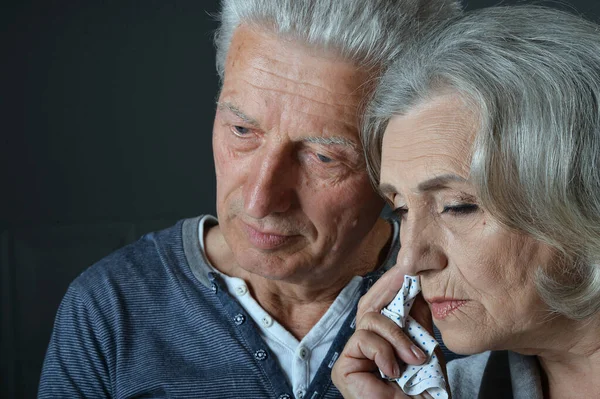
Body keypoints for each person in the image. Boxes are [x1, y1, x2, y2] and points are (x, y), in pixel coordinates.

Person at [37, 1, 461, 398]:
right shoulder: (109, 307)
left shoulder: (469, 310)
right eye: (242, 131)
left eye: (323, 157)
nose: (259, 201)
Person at [331, 4, 600, 398]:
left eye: (457, 205)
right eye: (402, 210)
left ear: (583, 191)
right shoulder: (446, 390)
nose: (410, 261)